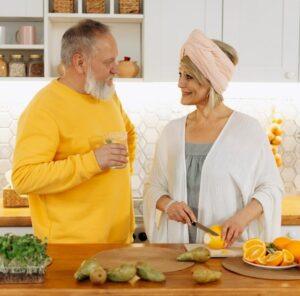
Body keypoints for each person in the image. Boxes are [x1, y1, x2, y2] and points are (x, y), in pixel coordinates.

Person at [143, 29, 284, 247]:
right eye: (179, 74)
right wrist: (169, 205)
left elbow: (271, 188)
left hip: (229, 250)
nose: (180, 83)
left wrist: (241, 219)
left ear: (211, 82)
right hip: (176, 252)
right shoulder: (172, 132)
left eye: (188, 77)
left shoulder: (247, 130)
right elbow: (154, 188)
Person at [12, 19, 136, 243]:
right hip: (70, 248)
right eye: (108, 62)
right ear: (80, 63)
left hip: (119, 242)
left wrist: (121, 178)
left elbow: (129, 132)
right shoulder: (45, 107)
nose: (116, 68)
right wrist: (93, 162)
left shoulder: (106, 94)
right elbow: (23, 177)